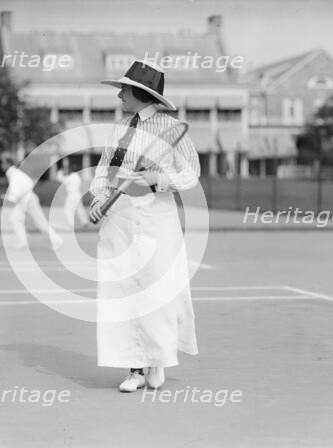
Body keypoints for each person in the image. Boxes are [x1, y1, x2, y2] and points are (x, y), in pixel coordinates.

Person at [89, 60, 199, 392]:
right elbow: (105, 168)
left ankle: (157, 361)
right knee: (122, 292)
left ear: (141, 93)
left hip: (157, 218)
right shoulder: (120, 127)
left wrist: (159, 179)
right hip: (119, 219)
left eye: (124, 89)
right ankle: (134, 369)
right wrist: (98, 199)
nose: (119, 94)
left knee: (157, 291)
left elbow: (191, 174)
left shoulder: (171, 127)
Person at [0, 155, 64, 250]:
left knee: (41, 223)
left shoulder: (12, 172)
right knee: (14, 218)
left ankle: (57, 241)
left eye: (3, 163)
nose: (1, 165)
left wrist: (9, 198)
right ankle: (23, 241)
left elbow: (15, 190)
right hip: (25, 199)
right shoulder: (14, 172)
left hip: (27, 199)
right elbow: (20, 187)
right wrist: (9, 197)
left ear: (8, 163)